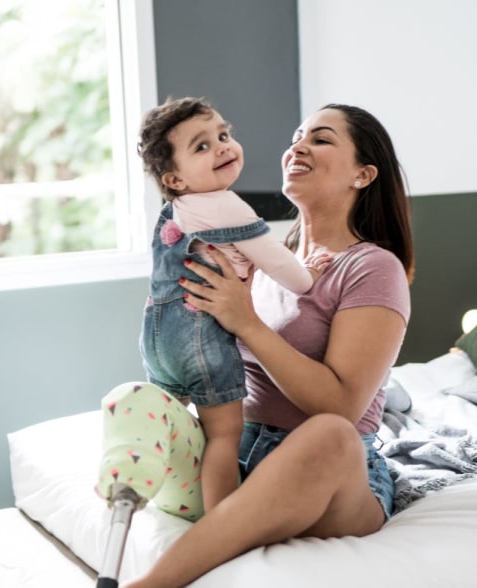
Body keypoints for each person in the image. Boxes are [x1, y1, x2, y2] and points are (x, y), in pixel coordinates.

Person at [117, 103, 414, 588]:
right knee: (136, 399)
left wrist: (247, 322)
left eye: (320, 139)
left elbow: (339, 406)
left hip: (328, 471)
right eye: (296, 136)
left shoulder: (372, 268)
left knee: (330, 435)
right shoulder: (260, 258)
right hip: (239, 455)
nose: (297, 146)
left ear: (363, 174)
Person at [97, 97, 328, 521]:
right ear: (176, 178)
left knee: (172, 420)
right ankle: (222, 525)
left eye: (224, 134)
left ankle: (151, 481)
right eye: (201, 146)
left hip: (158, 336)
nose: (223, 146)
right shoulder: (226, 204)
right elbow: (284, 269)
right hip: (200, 338)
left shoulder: (177, 210)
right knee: (223, 434)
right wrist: (309, 273)